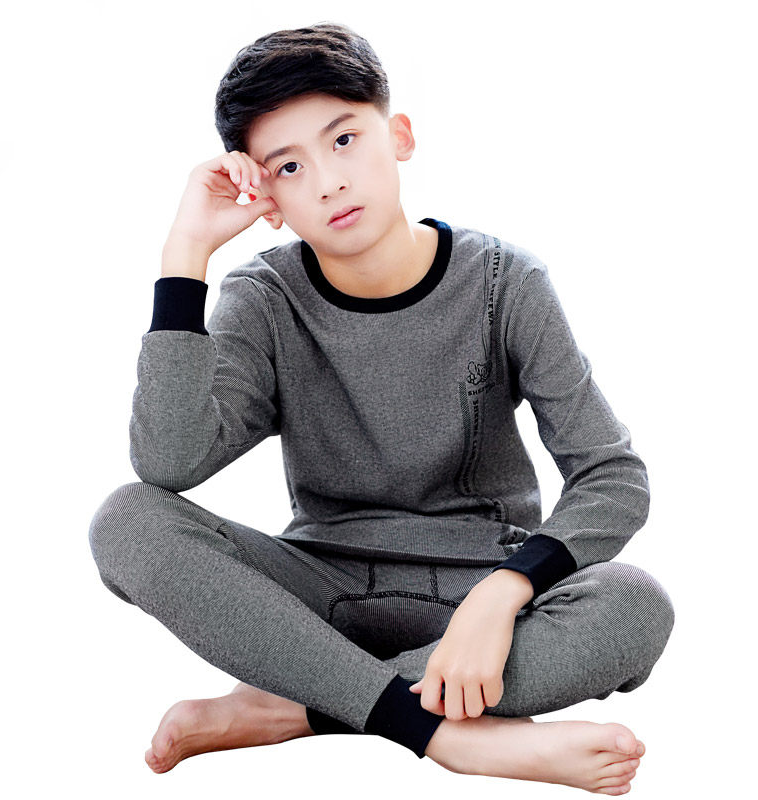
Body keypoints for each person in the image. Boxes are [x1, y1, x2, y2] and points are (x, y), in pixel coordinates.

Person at [88, 21, 674, 794]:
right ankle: (447, 734)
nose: (328, 182)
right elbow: (169, 460)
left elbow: (612, 474)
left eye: (344, 141)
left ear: (398, 137)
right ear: (266, 198)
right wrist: (185, 256)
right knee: (127, 520)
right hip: (319, 590)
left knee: (635, 605)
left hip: (474, 595)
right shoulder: (265, 298)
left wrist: (506, 591)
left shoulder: (505, 283)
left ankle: (295, 708)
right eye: (289, 166)